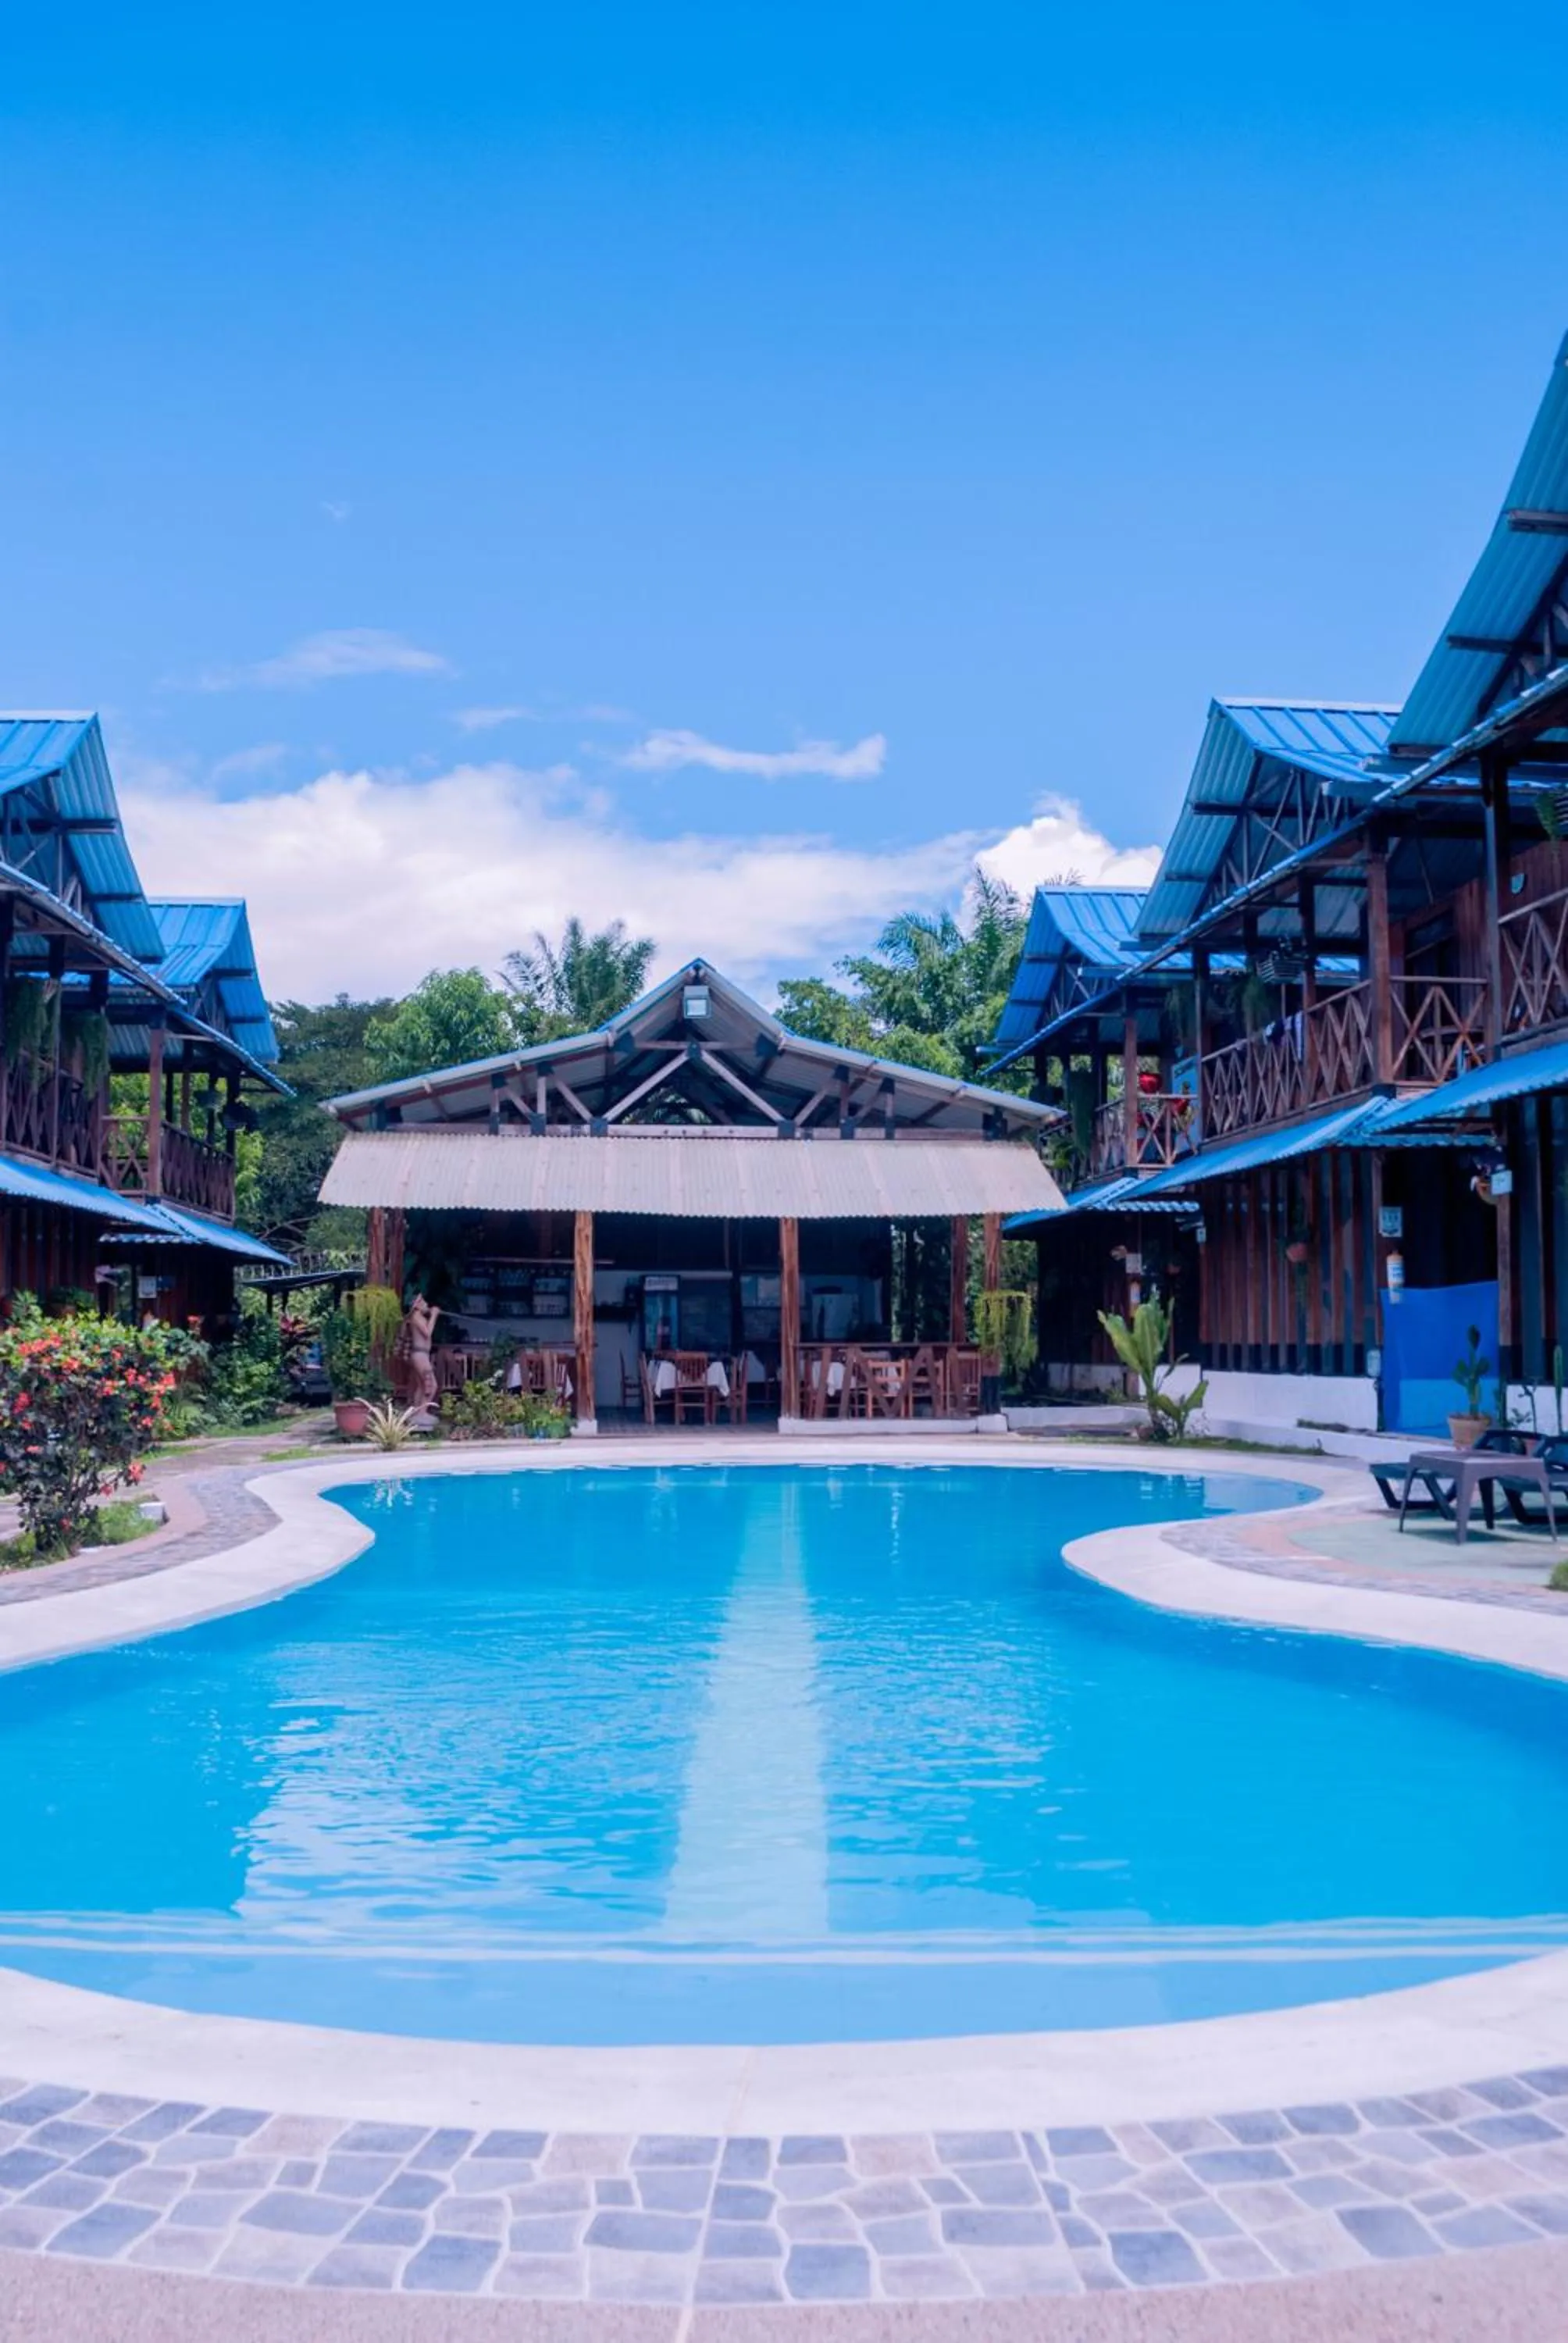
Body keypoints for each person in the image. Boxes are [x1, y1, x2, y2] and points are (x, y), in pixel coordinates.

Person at [404, 1293, 439, 1418]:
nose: (426, 1304)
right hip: (420, 1356)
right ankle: (422, 1413)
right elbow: (427, 1333)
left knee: (421, 1386)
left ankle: (416, 1414)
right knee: (431, 1385)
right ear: (417, 1305)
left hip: (420, 1355)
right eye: (423, 1302)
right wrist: (434, 1315)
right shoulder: (416, 1317)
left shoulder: (418, 1317)